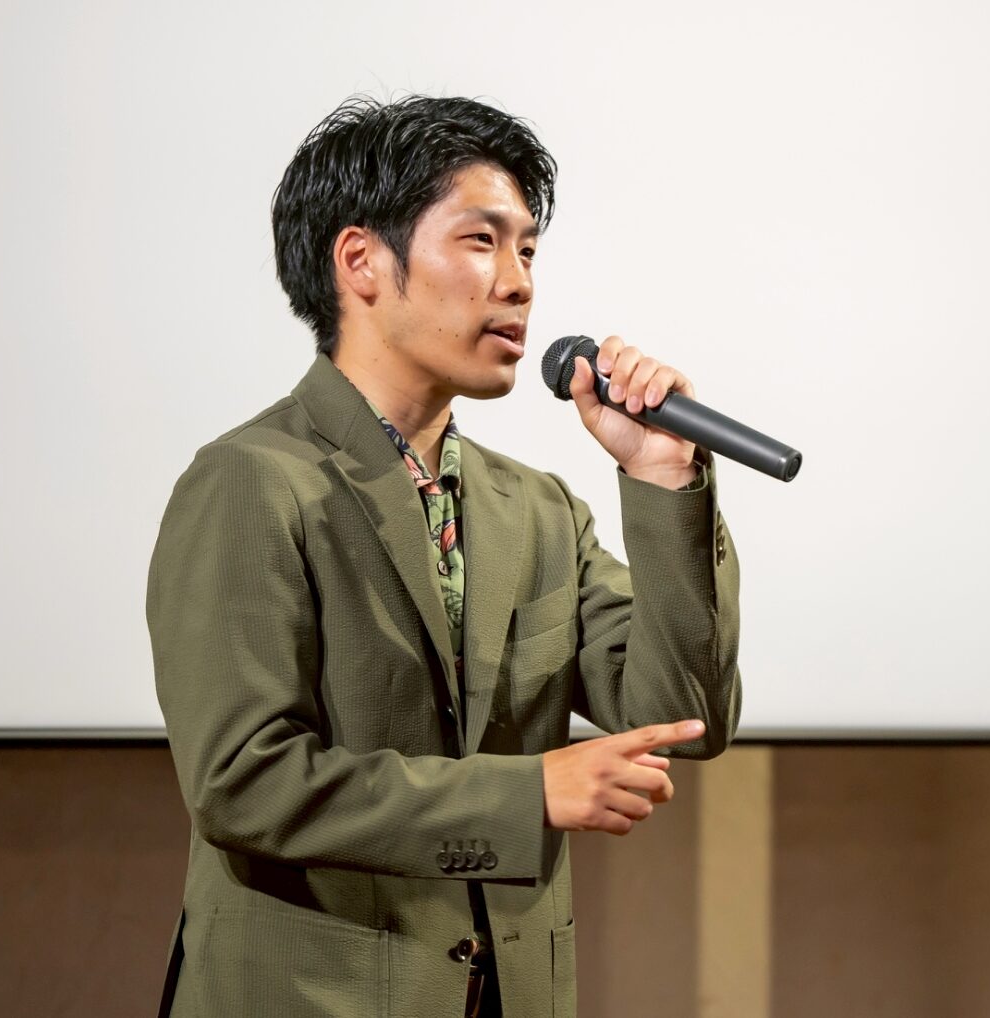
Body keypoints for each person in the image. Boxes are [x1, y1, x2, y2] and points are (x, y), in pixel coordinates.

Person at [145, 94, 743, 1018]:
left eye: (528, 251)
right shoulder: (253, 481)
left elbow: (684, 719)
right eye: (481, 241)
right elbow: (242, 782)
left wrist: (663, 478)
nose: (519, 283)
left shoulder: (539, 511)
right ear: (360, 262)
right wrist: (524, 795)